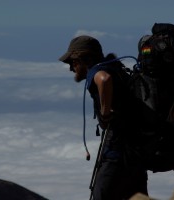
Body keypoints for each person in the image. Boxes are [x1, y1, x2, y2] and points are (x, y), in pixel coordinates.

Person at [59, 35, 148, 200]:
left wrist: (105, 112)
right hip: (136, 150)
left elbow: (104, 80)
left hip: (116, 150)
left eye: (72, 62)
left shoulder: (97, 70)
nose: (71, 68)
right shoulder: (115, 68)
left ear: (82, 58)